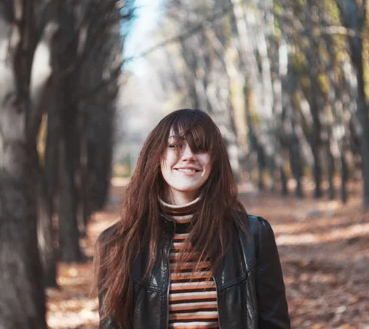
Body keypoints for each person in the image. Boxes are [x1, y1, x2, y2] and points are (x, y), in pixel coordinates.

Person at [94, 109, 290, 328]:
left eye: (201, 147)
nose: (188, 155)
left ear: (214, 161)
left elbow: (275, 324)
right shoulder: (116, 244)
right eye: (174, 146)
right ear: (157, 155)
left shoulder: (253, 236)